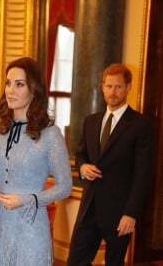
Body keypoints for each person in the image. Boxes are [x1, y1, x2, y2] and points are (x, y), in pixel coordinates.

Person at [0, 57, 73, 266]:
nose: (10, 90)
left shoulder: (51, 134)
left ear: (34, 89)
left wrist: (29, 199)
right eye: (8, 83)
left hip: (31, 227)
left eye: (19, 84)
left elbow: (65, 186)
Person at [67, 64, 154, 266]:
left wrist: (131, 214)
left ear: (128, 87)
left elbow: (143, 175)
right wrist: (82, 167)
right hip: (88, 209)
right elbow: (81, 155)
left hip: (119, 213)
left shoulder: (141, 125)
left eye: (118, 86)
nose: (112, 92)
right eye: (108, 86)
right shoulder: (91, 121)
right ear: (102, 87)